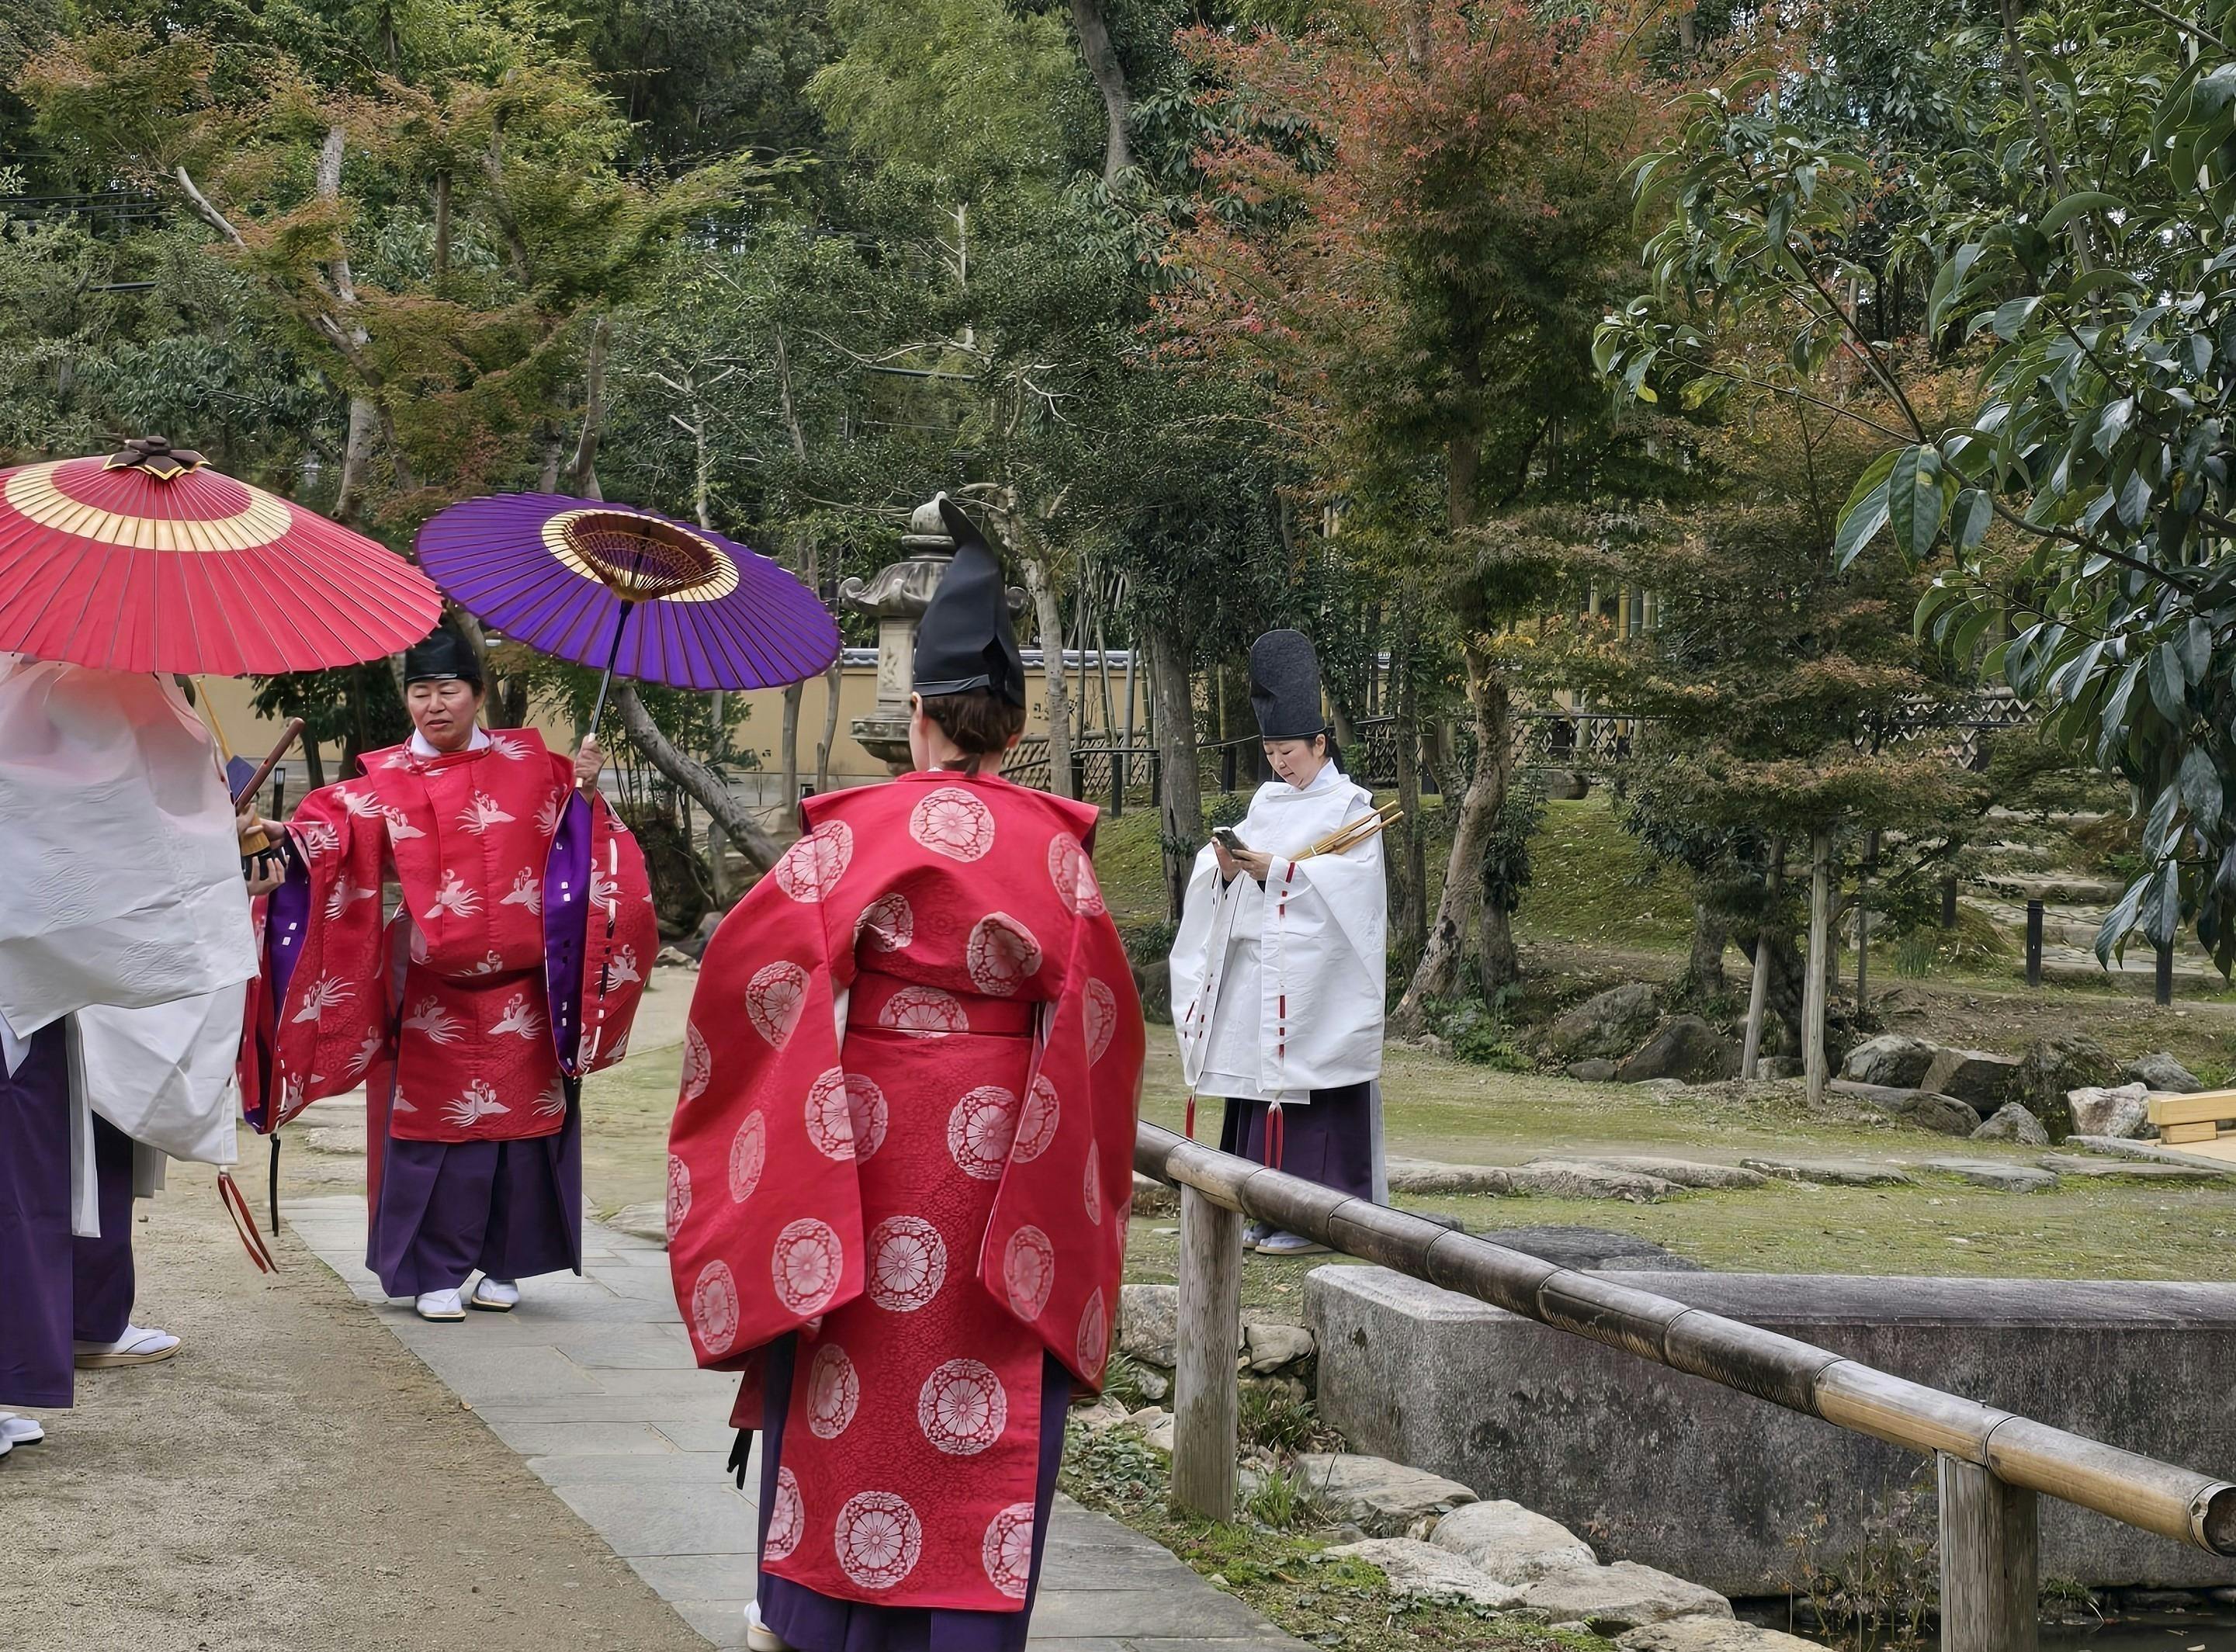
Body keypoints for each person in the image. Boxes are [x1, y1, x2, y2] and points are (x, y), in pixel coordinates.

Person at [667, 497, 1146, 1652]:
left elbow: (745, 984)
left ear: (920, 717)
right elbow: (1105, 1035)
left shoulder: (854, 836)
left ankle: (817, 1617)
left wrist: (804, 1091)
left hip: (865, 1154)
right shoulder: (1059, 857)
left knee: (847, 1393)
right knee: (981, 1394)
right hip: (1004, 1172)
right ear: (1009, 729)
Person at [241, 625, 657, 1321]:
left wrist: (585, 794)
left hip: (526, 991)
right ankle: (433, 1269)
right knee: (431, 1132)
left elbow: (587, 854)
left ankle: (505, 1264)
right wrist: (284, 835)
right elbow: (332, 834)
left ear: (478, 694)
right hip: (433, 990)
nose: (434, 704)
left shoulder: (539, 767)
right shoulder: (386, 781)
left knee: (524, 1133)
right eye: (420, 691)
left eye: (448, 689)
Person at [0, 655, 271, 1456]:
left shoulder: (45, 683)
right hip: (23, 988)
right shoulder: (65, 688)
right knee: (19, 1187)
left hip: (32, 992)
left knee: (30, 1186)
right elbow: (121, 834)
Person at [1168, 629, 1388, 1255]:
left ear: (1319, 743)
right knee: (1254, 1087)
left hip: (1316, 982)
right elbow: (1229, 870)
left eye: (1288, 750)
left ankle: (1319, 1217)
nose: (1278, 762)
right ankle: (1252, 1204)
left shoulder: (1352, 808)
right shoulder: (1265, 801)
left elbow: (1356, 892)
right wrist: (1228, 866)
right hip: (1257, 974)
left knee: (1310, 1091)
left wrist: (1284, 873)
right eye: (1270, 750)